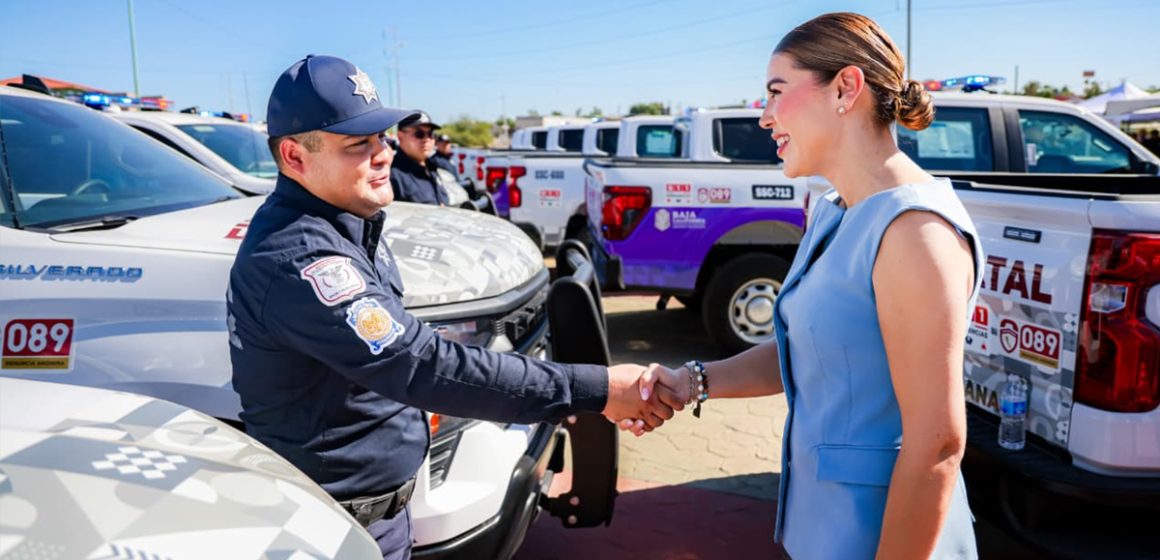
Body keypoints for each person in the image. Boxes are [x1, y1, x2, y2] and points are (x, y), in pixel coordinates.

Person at [228, 54, 672, 559]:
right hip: (337, 533)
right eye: (359, 144)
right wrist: (593, 390)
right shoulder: (301, 258)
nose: (383, 154)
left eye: (381, 137)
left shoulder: (346, 220)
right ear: (293, 155)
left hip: (374, 518)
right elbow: (419, 366)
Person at [635, 13, 982, 560]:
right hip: (823, 533)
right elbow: (810, 348)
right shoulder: (835, 210)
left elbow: (937, 445)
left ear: (846, 88)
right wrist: (692, 381)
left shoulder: (916, 233)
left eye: (776, 92)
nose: (766, 117)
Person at [389, 111, 448, 205]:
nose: (426, 139)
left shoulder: (432, 167)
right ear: (400, 136)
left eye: (431, 134)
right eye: (419, 134)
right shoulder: (391, 175)